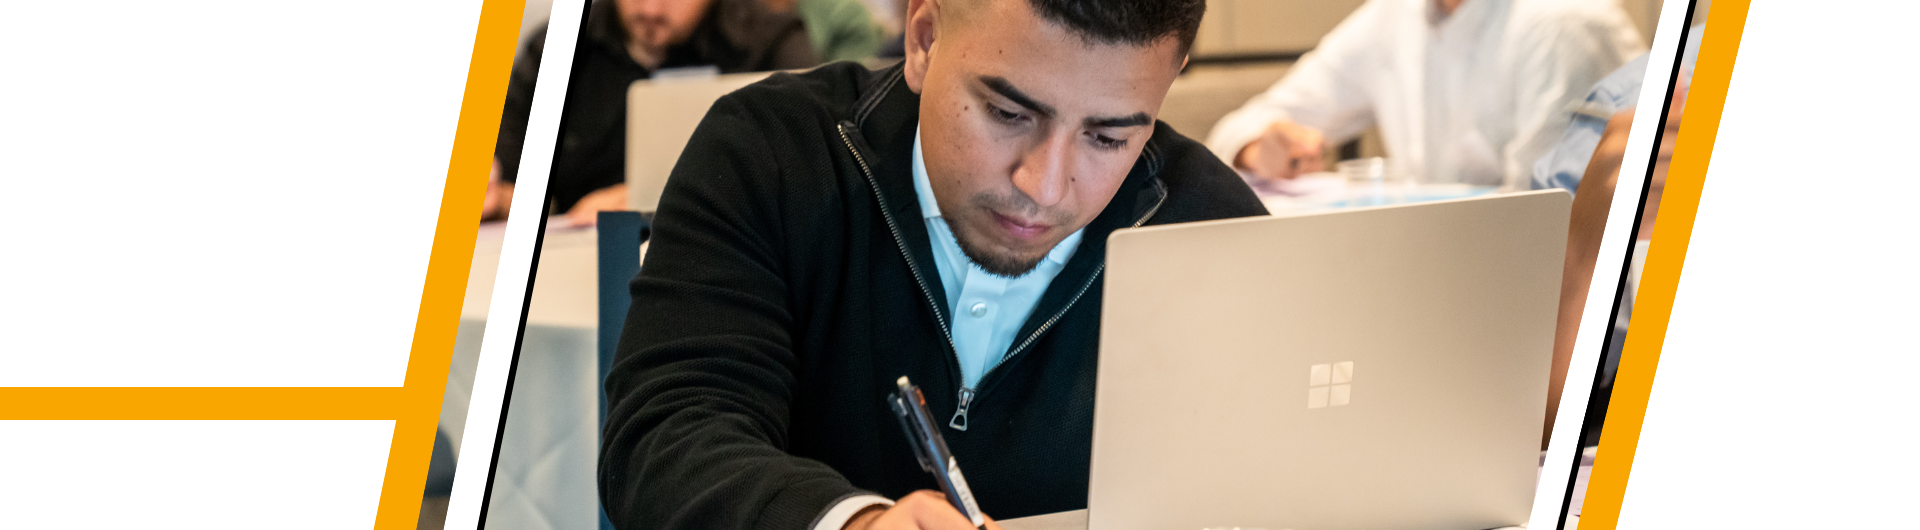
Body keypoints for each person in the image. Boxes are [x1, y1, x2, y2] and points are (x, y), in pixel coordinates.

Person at [598, 0, 1266, 528]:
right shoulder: (772, 154)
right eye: (1007, 112)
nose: (1045, 184)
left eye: (1108, 137)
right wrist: (853, 524)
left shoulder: (1209, 228)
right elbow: (667, 435)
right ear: (923, 38)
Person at [1204, 0, 1645, 191]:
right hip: (1451, 281)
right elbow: (1240, 126)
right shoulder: (1394, 17)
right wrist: (1261, 148)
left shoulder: (1563, 24)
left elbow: (1546, 224)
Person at [484, 0, 818, 226]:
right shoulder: (559, 46)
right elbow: (512, 170)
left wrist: (661, 195)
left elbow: (808, 166)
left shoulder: (771, 43)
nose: (651, 8)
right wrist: (499, 200)